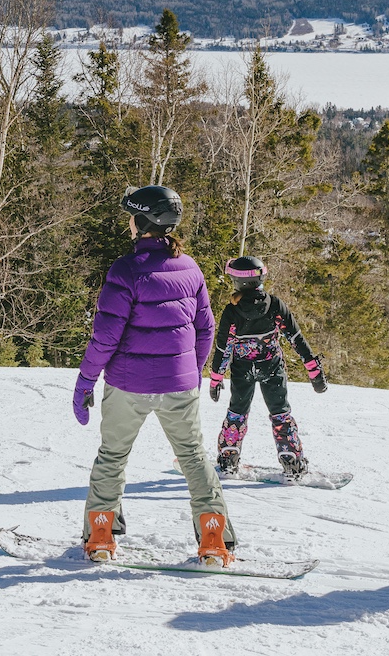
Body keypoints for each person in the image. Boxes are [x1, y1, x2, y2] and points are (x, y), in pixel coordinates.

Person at [73, 185, 236, 566]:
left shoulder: (125, 270)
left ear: (141, 222)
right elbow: (206, 329)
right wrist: (191, 374)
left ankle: (100, 534)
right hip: (179, 386)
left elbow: (105, 336)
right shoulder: (190, 268)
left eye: (131, 216)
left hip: (128, 385)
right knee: (194, 458)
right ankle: (213, 539)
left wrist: (85, 381)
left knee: (112, 456)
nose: (128, 222)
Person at [207, 255, 328, 478]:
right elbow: (296, 339)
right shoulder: (274, 305)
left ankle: (228, 458)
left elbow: (224, 349)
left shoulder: (231, 312)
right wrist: (314, 371)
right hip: (272, 368)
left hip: (242, 370)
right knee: (280, 413)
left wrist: (216, 379)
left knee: (237, 413)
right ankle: (292, 460)